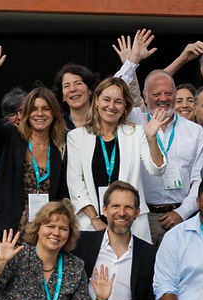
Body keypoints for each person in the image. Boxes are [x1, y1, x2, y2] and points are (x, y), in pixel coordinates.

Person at [110, 32, 203, 244]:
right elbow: (112, 92)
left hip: (182, 218)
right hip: (141, 217)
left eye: (168, 93)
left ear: (176, 94)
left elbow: (199, 179)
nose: (163, 99)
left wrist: (183, 213)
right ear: (145, 97)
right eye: (156, 94)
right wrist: (132, 62)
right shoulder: (134, 120)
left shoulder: (194, 131)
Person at [0, 46, 70, 233]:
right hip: (8, 230)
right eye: (34, 109)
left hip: (46, 233)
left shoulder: (62, 144)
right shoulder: (11, 136)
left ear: (54, 113)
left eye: (45, 108)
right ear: (26, 114)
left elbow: (63, 191)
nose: (40, 114)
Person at [65, 77, 168, 240]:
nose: (111, 106)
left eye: (118, 101)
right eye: (106, 99)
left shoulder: (136, 133)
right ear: (96, 100)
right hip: (92, 223)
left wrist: (152, 138)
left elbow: (156, 170)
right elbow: (75, 182)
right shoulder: (77, 136)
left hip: (131, 221)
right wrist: (95, 219)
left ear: (125, 106)